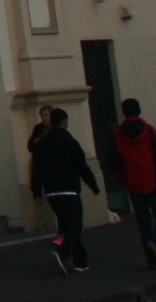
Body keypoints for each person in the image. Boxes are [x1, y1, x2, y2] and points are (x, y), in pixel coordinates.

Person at [107, 98, 156, 270]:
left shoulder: (118, 135)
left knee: (143, 222)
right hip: (152, 179)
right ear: (139, 110)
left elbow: (112, 159)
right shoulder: (148, 130)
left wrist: (122, 176)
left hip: (133, 182)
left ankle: (151, 260)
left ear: (124, 113)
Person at [29, 109, 101, 274]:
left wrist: (36, 191)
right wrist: (93, 185)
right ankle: (61, 251)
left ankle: (81, 261)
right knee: (76, 225)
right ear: (64, 122)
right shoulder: (69, 141)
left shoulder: (42, 144)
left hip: (51, 191)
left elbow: (36, 169)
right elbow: (81, 166)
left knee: (67, 226)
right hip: (69, 189)